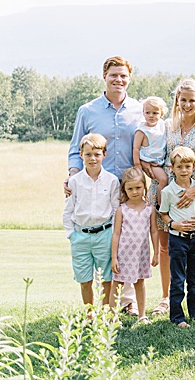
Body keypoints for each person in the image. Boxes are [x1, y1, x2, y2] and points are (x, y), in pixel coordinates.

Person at [66, 56, 143, 315]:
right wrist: (73, 177)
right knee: (106, 242)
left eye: (123, 75)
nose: (118, 80)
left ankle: (127, 301)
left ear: (129, 78)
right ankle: (101, 305)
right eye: (114, 75)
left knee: (130, 242)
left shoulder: (139, 109)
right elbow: (76, 149)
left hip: (132, 188)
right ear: (104, 77)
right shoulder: (87, 111)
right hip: (98, 187)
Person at [149, 78, 195, 317]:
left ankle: (194, 299)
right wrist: (161, 182)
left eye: (193, 100)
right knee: (165, 245)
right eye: (183, 100)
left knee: (191, 245)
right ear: (177, 101)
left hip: (193, 191)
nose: (188, 104)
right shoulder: (167, 125)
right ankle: (166, 298)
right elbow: (155, 156)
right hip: (165, 190)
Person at [63, 133, 120, 306]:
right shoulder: (75, 182)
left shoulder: (111, 181)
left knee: (105, 278)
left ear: (104, 154)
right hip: (80, 235)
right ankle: (89, 314)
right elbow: (68, 210)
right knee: (84, 279)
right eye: (88, 154)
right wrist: (71, 235)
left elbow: (116, 210)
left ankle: (105, 313)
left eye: (97, 154)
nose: (92, 158)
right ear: (81, 155)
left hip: (104, 234)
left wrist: (113, 233)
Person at [159, 146, 195, 328]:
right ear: (172, 168)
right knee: (178, 279)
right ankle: (177, 317)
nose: (184, 170)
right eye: (179, 167)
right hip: (178, 239)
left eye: (187, 166)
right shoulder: (168, 192)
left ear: (193, 167)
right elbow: (163, 214)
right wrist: (174, 224)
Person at [109, 166, 160, 324]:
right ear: (124, 189)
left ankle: (142, 315)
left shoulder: (149, 209)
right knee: (117, 284)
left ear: (144, 186)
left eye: (138, 187)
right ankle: (112, 317)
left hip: (141, 254)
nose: (135, 191)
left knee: (140, 282)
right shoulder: (122, 210)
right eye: (130, 188)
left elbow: (154, 232)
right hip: (123, 254)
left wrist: (156, 253)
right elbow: (116, 234)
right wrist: (114, 257)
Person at [133, 96, 169, 204]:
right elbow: (135, 148)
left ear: (161, 114)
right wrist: (138, 165)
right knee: (163, 180)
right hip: (151, 162)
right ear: (143, 113)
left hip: (161, 160)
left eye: (155, 113)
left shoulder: (163, 125)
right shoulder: (142, 130)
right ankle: (160, 204)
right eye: (147, 112)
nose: (151, 116)